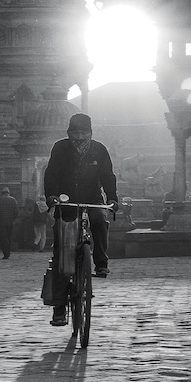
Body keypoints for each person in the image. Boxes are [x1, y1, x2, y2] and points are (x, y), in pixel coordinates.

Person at [44, 113, 118, 326]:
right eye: (75, 133)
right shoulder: (60, 149)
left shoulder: (99, 150)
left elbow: (107, 176)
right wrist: (52, 196)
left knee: (99, 218)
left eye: (84, 133)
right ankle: (59, 309)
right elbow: (51, 174)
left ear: (90, 133)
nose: (79, 137)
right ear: (69, 133)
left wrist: (112, 198)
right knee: (61, 257)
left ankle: (101, 261)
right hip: (66, 203)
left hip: (92, 199)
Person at [0, 187, 18, 259]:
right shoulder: (13, 200)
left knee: (3, 238)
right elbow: (16, 211)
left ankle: (6, 253)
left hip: (1, 222)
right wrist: (13, 219)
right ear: (8, 193)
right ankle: (8, 252)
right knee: (9, 237)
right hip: (10, 222)